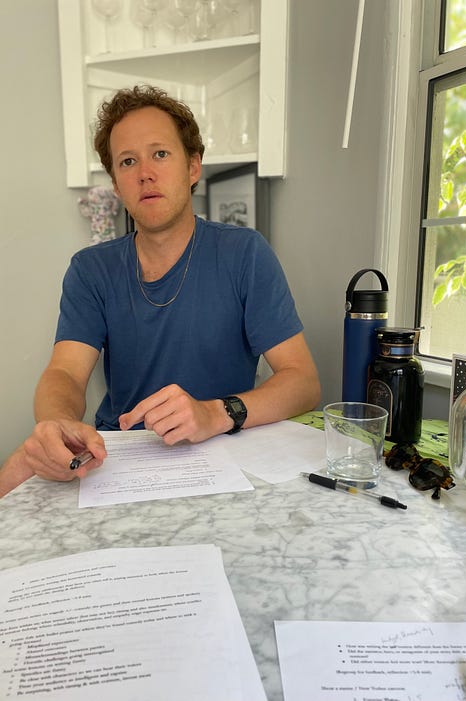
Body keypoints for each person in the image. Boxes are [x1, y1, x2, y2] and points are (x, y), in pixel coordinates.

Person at [22, 85, 320, 483]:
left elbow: (303, 380)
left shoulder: (245, 253)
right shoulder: (90, 269)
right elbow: (66, 374)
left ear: (192, 166)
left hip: (225, 451)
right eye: (127, 162)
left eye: (160, 154)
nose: (145, 173)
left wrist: (215, 413)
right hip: (120, 457)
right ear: (116, 184)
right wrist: (57, 424)